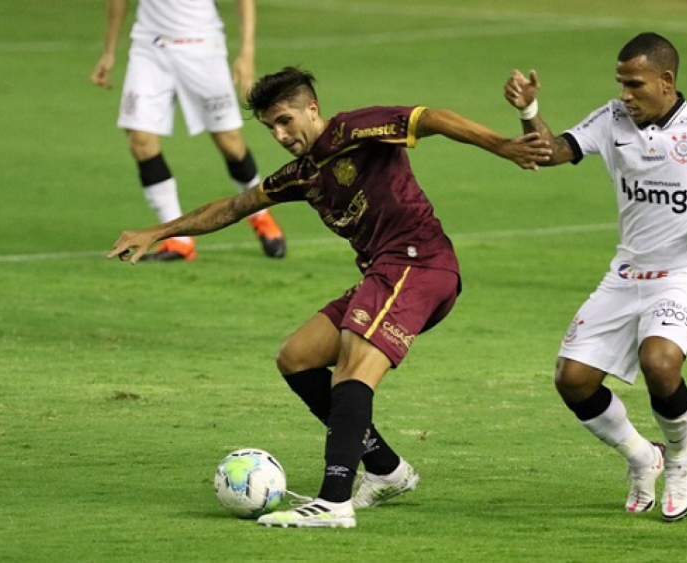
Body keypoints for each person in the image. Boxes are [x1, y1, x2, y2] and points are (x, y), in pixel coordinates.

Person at [109, 67, 552, 527]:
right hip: (383, 272)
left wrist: (502, 145)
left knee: (351, 369)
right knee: (297, 357)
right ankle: (386, 469)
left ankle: (334, 502)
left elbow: (430, 118)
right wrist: (159, 231)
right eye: (270, 127)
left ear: (312, 109)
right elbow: (234, 206)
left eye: (285, 120)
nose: (280, 134)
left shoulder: (355, 130)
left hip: (418, 263)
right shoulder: (302, 174)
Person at [503, 32, 687, 522]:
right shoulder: (611, 119)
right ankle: (641, 456)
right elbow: (551, 152)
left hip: (684, 273)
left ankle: (677, 461)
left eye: (634, 84)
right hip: (626, 272)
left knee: (660, 361)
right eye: (620, 83)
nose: (624, 95)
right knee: (573, 380)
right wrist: (529, 110)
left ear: (667, 80)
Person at [90, 0, 286, 261]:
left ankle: (260, 215)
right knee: (139, 139)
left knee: (229, 141)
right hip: (150, 47)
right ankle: (178, 240)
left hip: (202, 46)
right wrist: (109, 51)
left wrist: (247, 52)